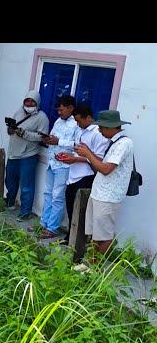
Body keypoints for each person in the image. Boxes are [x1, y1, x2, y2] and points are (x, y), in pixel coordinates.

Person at [74, 110, 134, 255]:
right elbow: (102, 164)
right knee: (96, 234)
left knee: (104, 236)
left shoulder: (124, 143)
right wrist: (88, 154)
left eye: (101, 127)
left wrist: (88, 154)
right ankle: (89, 264)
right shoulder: (114, 143)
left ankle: (95, 269)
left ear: (111, 127)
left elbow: (106, 169)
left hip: (108, 196)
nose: (99, 130)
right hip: (99, 193)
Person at [59, 103, 110, 244]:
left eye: (79, 120)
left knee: (81, 211)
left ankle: (79, 241)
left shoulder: (98, 134)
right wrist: (69, 157)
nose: (77, 123)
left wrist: (75, 159)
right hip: (73, 175)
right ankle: (71, 236)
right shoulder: (81, 130)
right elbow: (79, 151)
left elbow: (98, 159)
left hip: (86, 176)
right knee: (71, 208)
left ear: (88, 118)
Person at [37, 95, 79, 238]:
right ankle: (43, 223)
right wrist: (48, 139)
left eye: (61, 110)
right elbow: (53, 137)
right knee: (48, 194)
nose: (59, 113)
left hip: (64, 165)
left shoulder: (76, 124)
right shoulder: (58, 121)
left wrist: (59, 141)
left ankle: (52, 228)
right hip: (52, 163)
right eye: (58, 110)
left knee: (57, 196)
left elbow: (77, 145)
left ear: (70, 108)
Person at [4, 90, 50, 221]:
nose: (29, 104)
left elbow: (42, 137)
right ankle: (10, 203)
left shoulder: (42, 118)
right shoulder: (19, 112)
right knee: (10, 181)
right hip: (14, 153)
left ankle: (25, 212)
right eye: (27, 101)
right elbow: (11, 130)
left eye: (32, 101)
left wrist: (24, 133)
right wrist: (11, 129)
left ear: (37, 103)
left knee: (26, 185)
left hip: (28, 155)